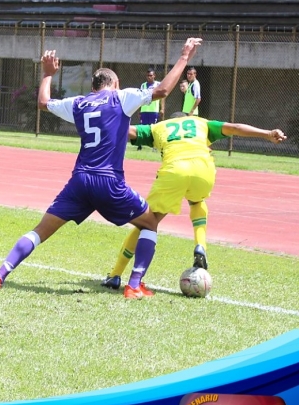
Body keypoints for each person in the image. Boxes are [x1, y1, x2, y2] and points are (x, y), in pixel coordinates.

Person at [0, 40, 203, 299]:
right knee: (150, 224)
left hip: (80, 182)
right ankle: (134, 285)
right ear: (114, 84)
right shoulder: (121, 97)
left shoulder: (78, 103)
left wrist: (48, 74)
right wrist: (185, 56)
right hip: (109, 182)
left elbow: (43, 102)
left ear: (93, 87)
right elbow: (163, 90)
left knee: (40, 231)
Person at [101, 113, 287, 288]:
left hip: (175, 170)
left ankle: (116, 274)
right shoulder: (201, 123)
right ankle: (200, 245)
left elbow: (127, 130)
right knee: (197, 202)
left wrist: (102, 127)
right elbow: (235, 127)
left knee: (147, 222)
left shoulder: (159, 127)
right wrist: (267, 134)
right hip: (204, 170)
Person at [136, 68, 161, 150]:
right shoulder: (143, 85)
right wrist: (139, 110)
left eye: (151, 75)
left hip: (154, 110)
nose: (149, 77)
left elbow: (162, 97)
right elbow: (140, 97)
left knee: (153, 128)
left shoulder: (158, 84)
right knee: (142, 127)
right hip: (144, 110)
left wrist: (162, 108)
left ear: (154, 76)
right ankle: (140, 144)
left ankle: (154, 146)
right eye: (148, 76)